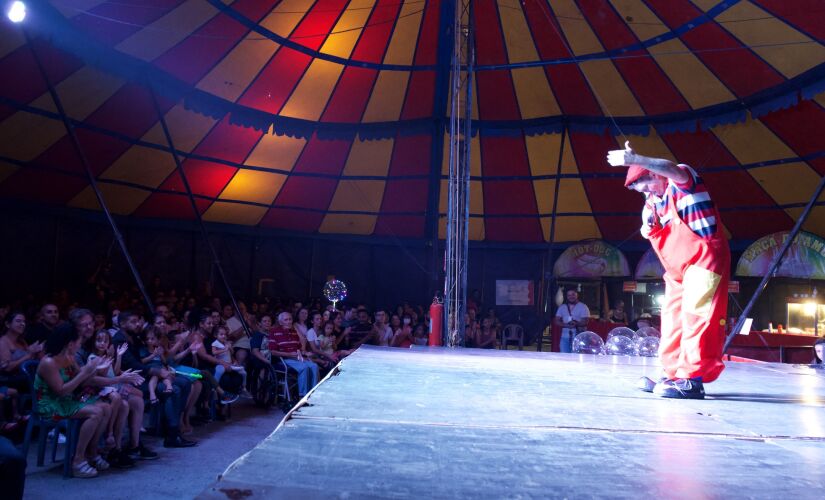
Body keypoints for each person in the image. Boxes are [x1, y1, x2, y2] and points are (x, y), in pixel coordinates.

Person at [608, 142, 730, 399]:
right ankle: (674, 373)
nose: (645, 194)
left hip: (703, 261)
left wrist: (635, 158)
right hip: (677, 272)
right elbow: (653, 230)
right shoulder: (653, 204)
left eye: (646, 187)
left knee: (696, 318)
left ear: (654, 175)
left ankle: (691, 380)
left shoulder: (683, 181)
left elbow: (670, 167)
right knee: (672, 319)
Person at [34, 323, 113, 478]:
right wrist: (86, 373)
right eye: (78, 342)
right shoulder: (48, 362)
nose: (80, 344)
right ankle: (77, 460)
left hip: (67, 400)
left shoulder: (69, 357)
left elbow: (84, 379)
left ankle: (92, 452)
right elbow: (61, 390)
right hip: (51, 404)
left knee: (106, 407)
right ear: (70, 343)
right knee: (95, 412)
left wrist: (97, 369)